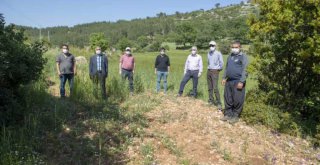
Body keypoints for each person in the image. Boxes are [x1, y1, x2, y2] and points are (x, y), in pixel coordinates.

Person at [221, 41, 249, 124]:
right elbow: (227, 68)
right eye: (233, 47)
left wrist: (242, 81)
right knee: (228, 98)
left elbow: (245, 69)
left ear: (240, 48)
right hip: (229, 80)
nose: (234, 49)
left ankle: (236, 115)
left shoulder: (243, 57)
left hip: (238, 81)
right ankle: (228, 114)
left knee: (238, 99)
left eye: (236, 47)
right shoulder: (230, 56)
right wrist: (224, 78)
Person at [207, 41, 224, 110]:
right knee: (209, 87)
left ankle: (219, 103)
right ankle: (211, 100)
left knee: (215, 88)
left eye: (213, 45)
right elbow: (208, 62)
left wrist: (218, 70)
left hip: (215, 71)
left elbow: (221, 63)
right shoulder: (208, 53)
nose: (211, 47)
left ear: (215, 46)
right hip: (209, 71)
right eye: (210, 45)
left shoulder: (218, 53)